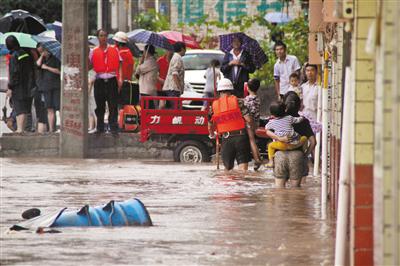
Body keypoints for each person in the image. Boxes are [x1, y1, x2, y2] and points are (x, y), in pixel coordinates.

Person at [208, 78, 254, 171]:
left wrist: (212, 134)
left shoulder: (213, 106)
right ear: (231, 90)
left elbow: (210, 125)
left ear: (219, 91)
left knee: (228, 171)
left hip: (226, 139)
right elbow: (248, 119)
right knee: (243, 170)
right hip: (241, 137)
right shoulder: (239, 101)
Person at [90, 29, 123, 135]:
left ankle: (113, 127)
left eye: (105, 35)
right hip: (99, 81)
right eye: (101, 35)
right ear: (98, 37)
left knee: (113, 105)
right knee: (100, 106)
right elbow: (89, 65)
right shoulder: (93, 51)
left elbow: (120, 64)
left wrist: (120, 79)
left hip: (112, 81)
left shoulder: (114, 49)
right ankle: (100, 127)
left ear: (107, 37)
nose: (103, 38)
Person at [5, 35, 35, 133]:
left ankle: (19, 129)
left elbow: (14, 73)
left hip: (18, 87)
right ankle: (23, 129)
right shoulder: (25, 54)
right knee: (26, 108)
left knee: (19, 108)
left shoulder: (14, 56)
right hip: (28, 86)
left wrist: (10, 87)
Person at [265, 101, 307, 168]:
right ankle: (304, 153)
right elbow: (298, 120)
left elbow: (266, 129)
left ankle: (271, 162)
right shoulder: (289, 118)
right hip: (295, 143)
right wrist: (303, 117)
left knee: (270, 146)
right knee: (304, 138)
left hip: (283, 145)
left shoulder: (272, 122)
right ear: (285, 110)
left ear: (272, 115)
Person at [36, 45, 61, 132]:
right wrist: (41, 56)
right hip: (46, 87)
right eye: (39, 52)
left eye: (42, 51)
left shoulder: (55, 58)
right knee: (49, 109)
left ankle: (62, 128)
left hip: (55, 86)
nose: (41, 53)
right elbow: (37, 65)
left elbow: (59, 71)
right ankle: (51, 129)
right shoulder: (42, 59)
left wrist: (47, 67)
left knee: (59, 107)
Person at [243, 78, 263, 170]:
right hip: (256, 121)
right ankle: (259, 158)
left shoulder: (247, 99)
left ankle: (257, 160)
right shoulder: (258, 98)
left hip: (249, 122)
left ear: (248, 88)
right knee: (253, 140)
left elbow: (244, 109)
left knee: (252, 140)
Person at [135, 44, 159, 109]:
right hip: (145, 90)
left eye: (144, 51)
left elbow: (138, 70)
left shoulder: (151, 62)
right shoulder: (148, 61)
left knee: (147, 110)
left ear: (146, 51)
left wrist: (141, 61)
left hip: (147, 90)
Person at [32, 43, 48, 133]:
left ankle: (44, 130)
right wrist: (41, 56)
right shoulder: (40, 59)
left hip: (46, 88)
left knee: (44, 112)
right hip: (39, 88)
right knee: (40, 111)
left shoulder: (50, 58)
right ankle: (40, 130)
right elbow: (37, 64)